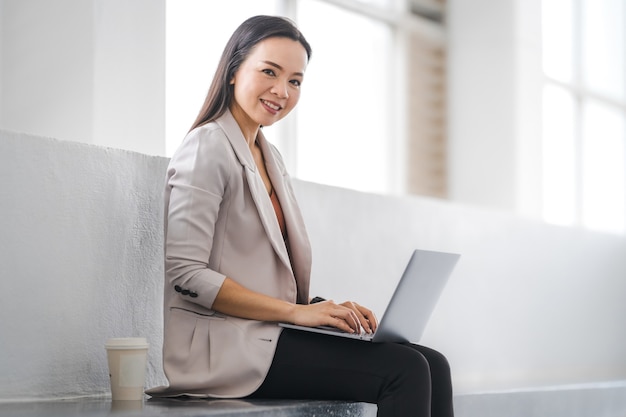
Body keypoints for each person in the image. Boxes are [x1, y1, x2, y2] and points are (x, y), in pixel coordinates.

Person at [146, 15, 454, 417]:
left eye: (295, 81)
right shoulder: (207, 147)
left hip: (268, 334)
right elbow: (187, 274)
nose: (282, 91)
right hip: (222, 348)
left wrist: (325, 309)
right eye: (269, 72)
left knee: (435, 363)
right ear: (234, 71)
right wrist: (298, 313)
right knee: (405, 369)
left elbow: (268, 277)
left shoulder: (268, 155)